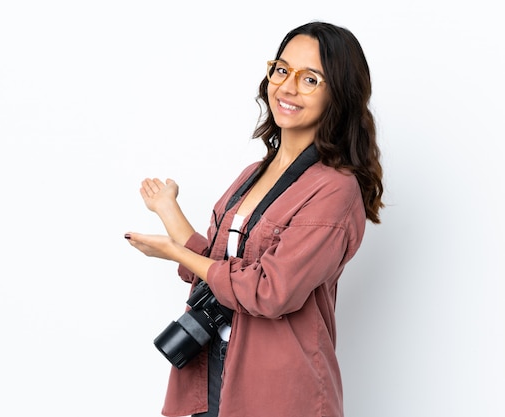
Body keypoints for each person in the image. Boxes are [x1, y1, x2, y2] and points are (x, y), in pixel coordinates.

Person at [124, 20, 384, 417]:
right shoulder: (252, 174)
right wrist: (167, 210)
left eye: (310, 79)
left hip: (276, 386)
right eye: (282, 70)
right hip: (213, 366)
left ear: (339, 95)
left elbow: (271, 291)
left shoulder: (335, 189)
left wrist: (174, 252)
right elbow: (213, 267)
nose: (288, 87)